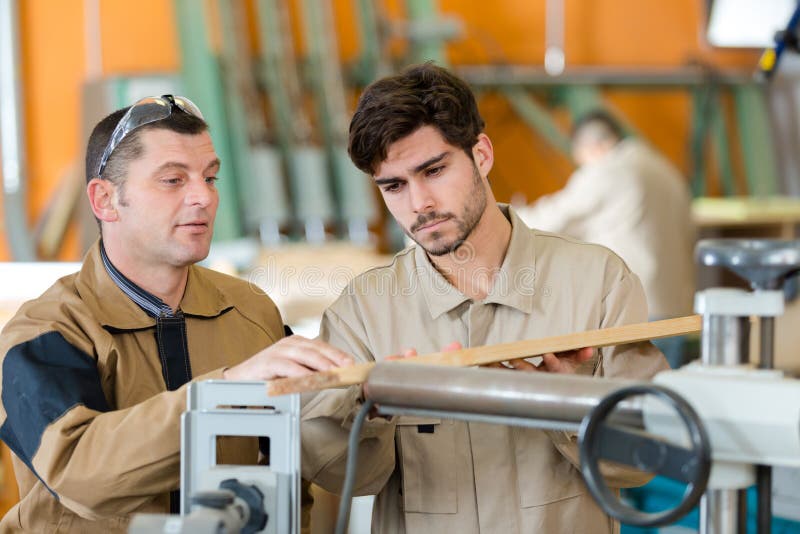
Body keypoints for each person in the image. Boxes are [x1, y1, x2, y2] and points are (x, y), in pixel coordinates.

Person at [300, 64, 670, 533]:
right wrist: (372, 413)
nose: (419, 204)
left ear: (482, 153)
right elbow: (341, 475)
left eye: (433, 171)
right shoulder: (364, 311)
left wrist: (577, 407)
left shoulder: (597, 282)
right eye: (394, 186)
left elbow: (646, 457)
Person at [0, 95, 352, 533]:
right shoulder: (46, 332)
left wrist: (361, 405)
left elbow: (292, 470)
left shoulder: (251, 311)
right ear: (105, 200)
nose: (203, 197)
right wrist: (224, 392)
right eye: (172, 180)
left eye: (210, 177)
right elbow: (79, 473)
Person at [516, 110, 695, 338]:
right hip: (676, 310)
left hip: (635, 311)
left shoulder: (609, 170)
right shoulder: (665, 170)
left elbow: (554, 218)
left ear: (594, 147)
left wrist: (512, 215)